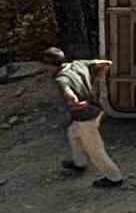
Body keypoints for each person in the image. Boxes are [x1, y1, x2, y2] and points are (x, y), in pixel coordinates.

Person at [44, 47, 124, 187]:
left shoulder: (61, 79)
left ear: (48, 65)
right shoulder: (79, 64)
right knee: (73, 133)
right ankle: (79, 163)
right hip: (97, 109)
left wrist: (76, 102)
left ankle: (114, 178)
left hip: (85, 118)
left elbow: (71, 97)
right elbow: (107, 63)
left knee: (95, 150)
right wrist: (101, 76)